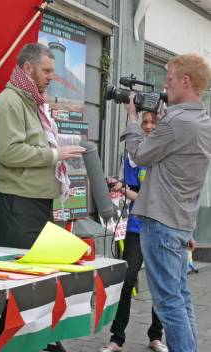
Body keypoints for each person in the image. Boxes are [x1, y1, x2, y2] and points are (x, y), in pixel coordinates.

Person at [121, 53, 211, 352]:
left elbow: (140, 155)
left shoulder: (177, 120)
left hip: (160, 223)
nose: (165, 85)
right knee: (181, 298)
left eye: (169, 78)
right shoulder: (201, 119)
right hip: (180, 220)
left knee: (169, 304)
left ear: (185, 81)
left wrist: (133, 119)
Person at [0, 43, 85, 249]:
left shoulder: (34, 103)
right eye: (46, 71)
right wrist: (54, 155)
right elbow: (9, 152)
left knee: (36, 272)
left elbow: (34, 144)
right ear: (28, 68)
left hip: (34, 202)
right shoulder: (9, 102)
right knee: (19, 271)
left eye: (53, 71)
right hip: (17, 203)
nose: (51, 77)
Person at [101, 111, 168, 352]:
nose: (148, 126)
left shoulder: (163, 154)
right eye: (145, 122)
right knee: (127, 279)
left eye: (153, 122)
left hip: (159, 226)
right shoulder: (133, 155)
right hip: (136, 227)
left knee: (159, 282)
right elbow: (131, 187)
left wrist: (125, 190)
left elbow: (148, 197)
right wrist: (119, 184)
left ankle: (155, 336)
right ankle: (116, 338)